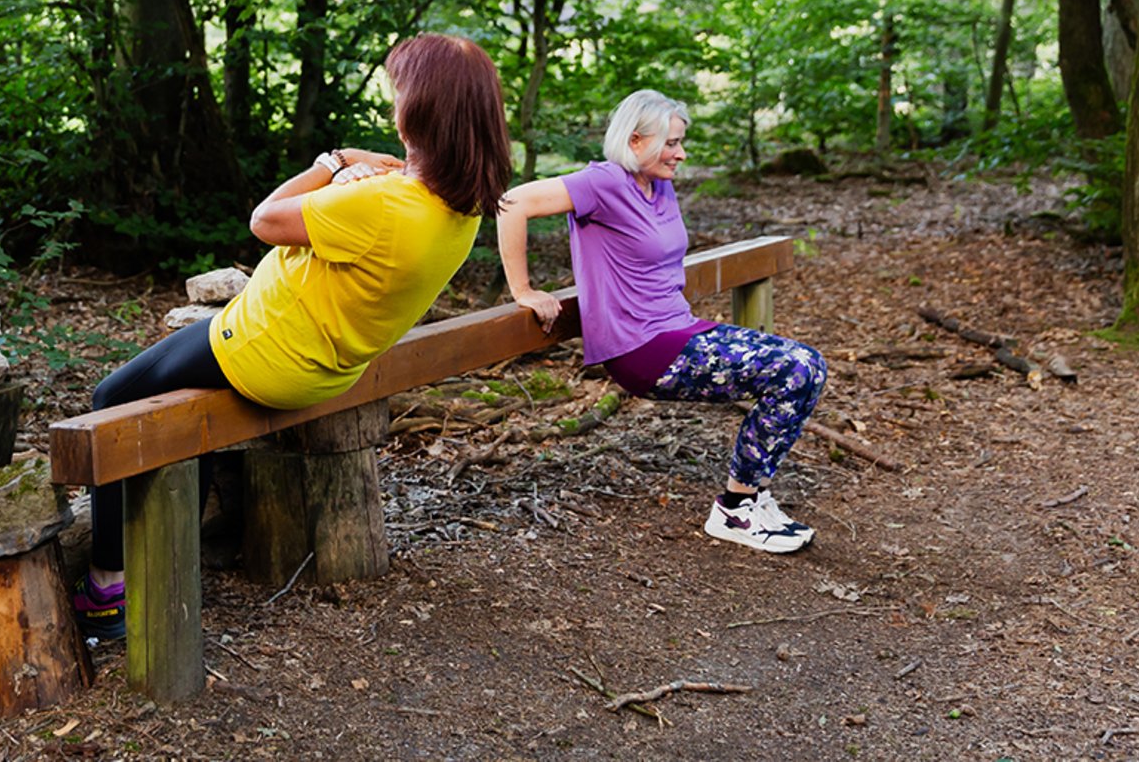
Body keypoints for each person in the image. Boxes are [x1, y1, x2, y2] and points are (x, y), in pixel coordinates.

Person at [73, 32, 514, 639]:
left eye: (398, 94)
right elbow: (375, 224)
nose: (393, 105)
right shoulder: (460, 208)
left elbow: (264, 220)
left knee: (110, 402)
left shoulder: (386, 204)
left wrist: (330, 165)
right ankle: (173, 560)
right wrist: (359, 175)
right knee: (184, 421)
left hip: (261, 350)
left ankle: (105, 587)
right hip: (327, 365)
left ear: (418, 112)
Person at [496, 89, 827, 554]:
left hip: (679, 329)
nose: (681, 153)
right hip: (642, 348)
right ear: (635, 140)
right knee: (794, 369)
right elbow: (512, 202)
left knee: (809, 365)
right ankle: (735, 509)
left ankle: (752, 499)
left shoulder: (659, 185)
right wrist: (524, 290)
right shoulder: (603, 183)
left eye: (680, 142)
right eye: (671, 143)